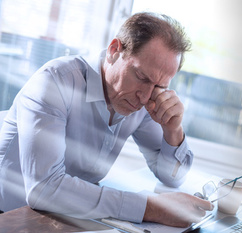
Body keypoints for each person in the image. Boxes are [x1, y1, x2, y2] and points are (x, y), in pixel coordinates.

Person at [0, 12, 213, 227]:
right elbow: (44, 189)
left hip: (70, 218)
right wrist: (152, 208)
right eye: (141, 77)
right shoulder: (55, 82)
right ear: (114, 50)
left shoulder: (142, 100)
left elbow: (172, 178)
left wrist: (173, 130)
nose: (145, 96)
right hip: (11, 218)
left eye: (159, 87)